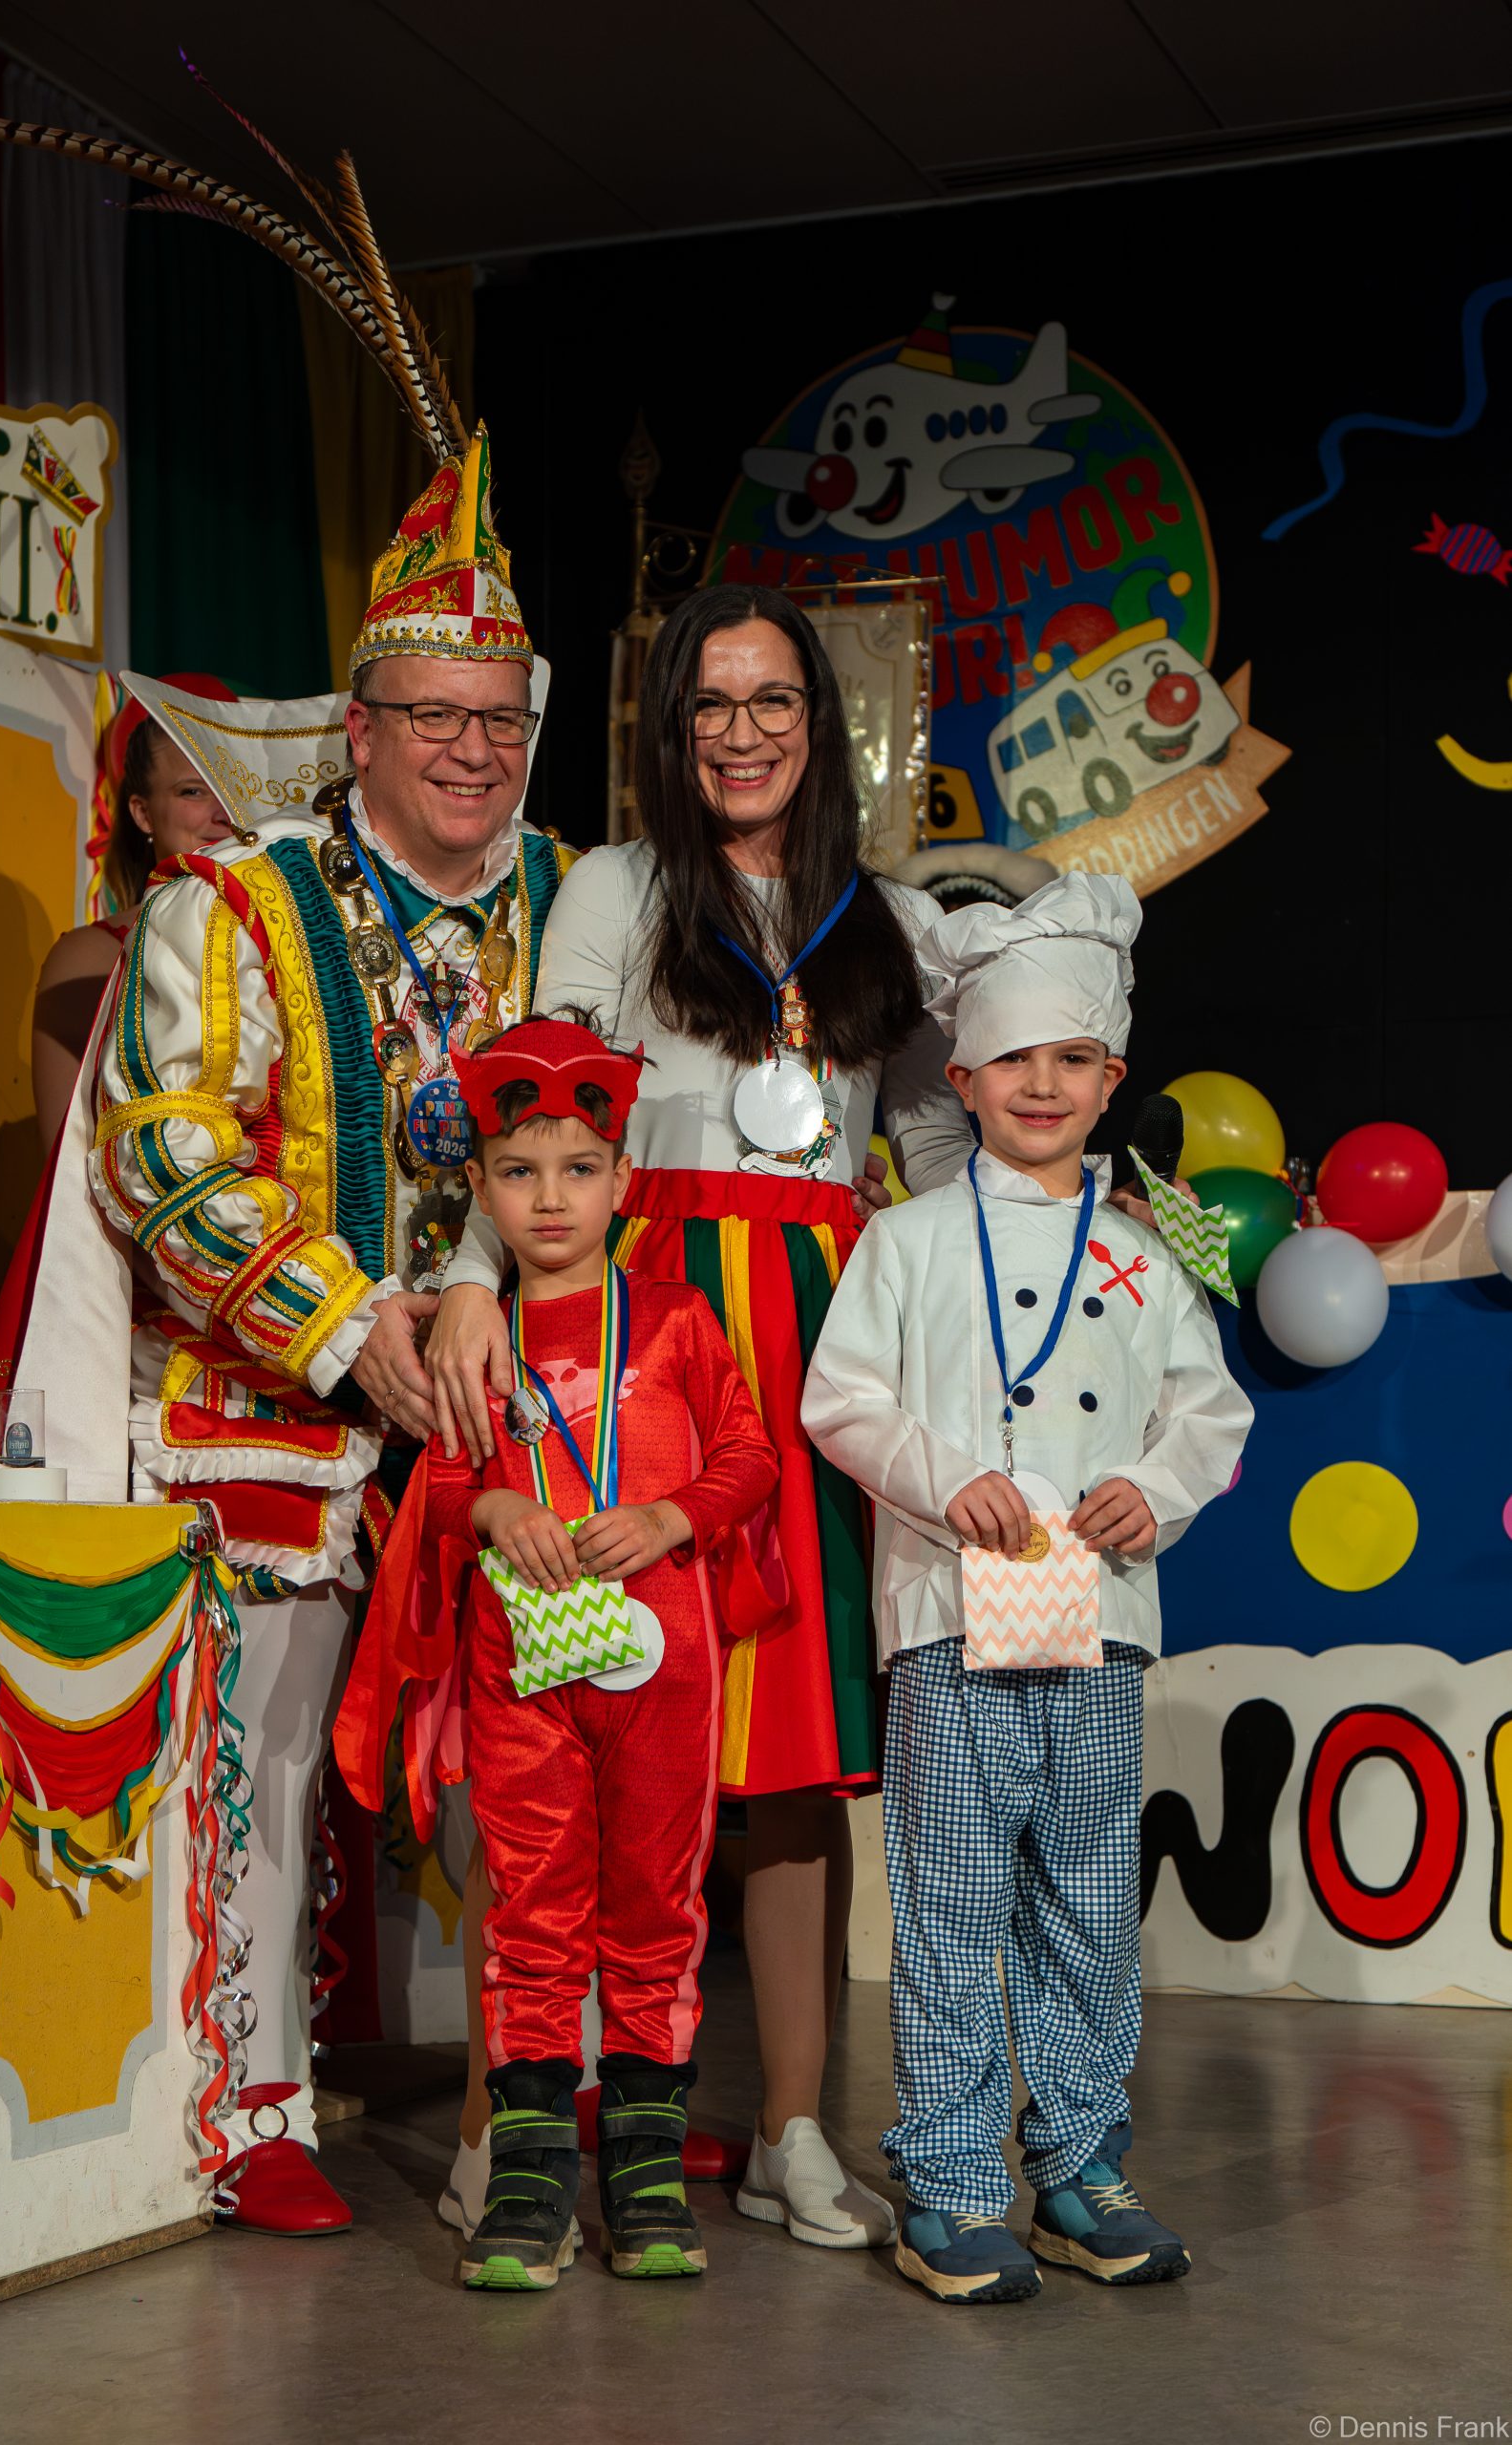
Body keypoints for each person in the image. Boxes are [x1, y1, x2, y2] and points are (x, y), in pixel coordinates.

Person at [428, 584, 976, 2249]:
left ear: (821, 720)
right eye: (708, 705)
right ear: (668, 732)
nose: (742, 733)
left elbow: (938, 1149)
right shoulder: (618, 886)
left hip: (814, 1346)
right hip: (637, 1333)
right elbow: (542, 1090)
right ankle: (504, 2124)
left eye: (771, 700)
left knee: (792, 1760)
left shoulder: (890, 919)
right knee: (564, 1722)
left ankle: (794, 2127)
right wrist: (472, 1277)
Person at [75, 427, 579, 2234]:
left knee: (537, 1769)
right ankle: (250, 2110)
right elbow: (162, 1157)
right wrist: (351, 1324)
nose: (470, 749)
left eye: (499, 719)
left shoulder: (576, 902)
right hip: (274, 1412)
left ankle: (538, 2101)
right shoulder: (231, 903)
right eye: (434, 714)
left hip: (516, 1413)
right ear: (357, 729)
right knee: (265, 1772)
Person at [800, 871, 1252, 2304]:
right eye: (1011, 1060)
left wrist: (1153, 1491)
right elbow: (841, 1399)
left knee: (1086, 1898)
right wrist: (945, 1479)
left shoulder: (1143, 1253)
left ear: (1111, 1078)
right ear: (962, 1077)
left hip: (1098, 1621)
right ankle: (946, 2183)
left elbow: (1209, 1413)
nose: (1041, 1085)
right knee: (947, 1908)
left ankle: (1076, 2164)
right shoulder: (907, 1239)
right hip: (953, 1620)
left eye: (1071, 1059)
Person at [354, 1014, 778, 2289]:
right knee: (531, 1919)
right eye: (520, 1172)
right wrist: (494, 1506)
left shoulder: (674, 1321)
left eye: (579, 1169)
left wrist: (668, 1517)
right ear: (479, 1191)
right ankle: (529, 2185)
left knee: (656, 1913)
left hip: (665, 1668)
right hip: (520, 1672)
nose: (551, 1198)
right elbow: (437, 1492)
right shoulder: (471, 1339)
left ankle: (643, 2179)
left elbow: (749, 1457)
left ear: (621, 1178)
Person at [32, 679, 236, 1153]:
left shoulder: (299, 936)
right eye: (193, 791)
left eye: (231, 786)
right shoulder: (90, 957)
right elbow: (67, 1165)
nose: (223, 812)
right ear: (143, 814)